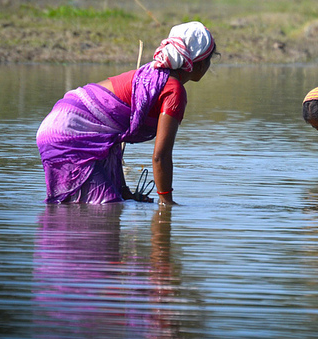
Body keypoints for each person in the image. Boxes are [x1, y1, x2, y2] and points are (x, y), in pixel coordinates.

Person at [36, 21, 216, 206]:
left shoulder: (148, 75)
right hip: (71, 135)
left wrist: (124, 191)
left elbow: (109, 140)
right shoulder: (173, 90)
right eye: (209, 59)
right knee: (104, 211)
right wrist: (166, 202)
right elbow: (160, 156)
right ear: (199, 63)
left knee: (96, 209)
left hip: (60, 125)